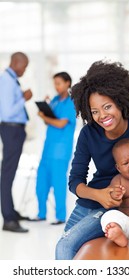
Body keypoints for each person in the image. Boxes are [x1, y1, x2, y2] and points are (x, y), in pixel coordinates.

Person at [55, 60, 129, 260]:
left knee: (66, 247)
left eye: (107, 106)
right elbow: (75, 181)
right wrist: (99, 195)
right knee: (65, 249)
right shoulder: (88, 134)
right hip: (93, 202)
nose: (102, 116)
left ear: (120, 100)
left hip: (124, 207)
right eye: (94, 111)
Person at [33, 72, 76, 225]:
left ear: (67, 83)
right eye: (55, 83)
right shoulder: (56, 100)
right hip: (48, 149)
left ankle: (60, 216)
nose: (56, 86)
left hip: (60, 151)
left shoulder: (70, 102)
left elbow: (60, 123)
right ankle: (41, 214)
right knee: (41, 182)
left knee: (58, 183)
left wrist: (44, 116)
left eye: (59, 83)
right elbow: (49, 121)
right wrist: (46, 108)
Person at [0, 52, 33, 233]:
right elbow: (7, 112)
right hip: (11, 128)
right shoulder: (6, 80)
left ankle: (10, 212)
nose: (25, 70)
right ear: (16, 62)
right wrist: (23, 99)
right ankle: (8, 220)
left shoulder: (10, 80)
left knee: (9, 173)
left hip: (15, 130)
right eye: (24, 66)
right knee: (7, 174)